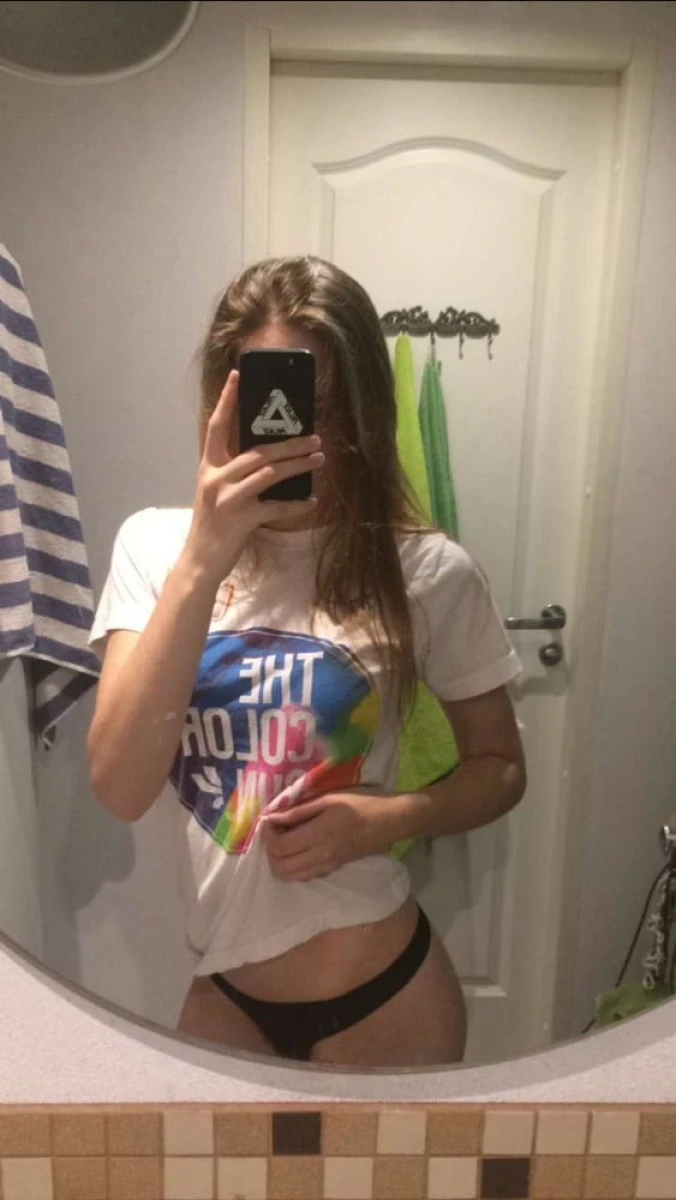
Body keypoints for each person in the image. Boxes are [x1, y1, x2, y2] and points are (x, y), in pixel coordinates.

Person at [87, 256, 525, 1068]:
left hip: (385, 995)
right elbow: (119, 785)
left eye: (322, 406)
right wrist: (204, 559)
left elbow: (500, 769)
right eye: (273, 404)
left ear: (363, 411)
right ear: (224, 402)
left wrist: (390, 819)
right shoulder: (155, 549)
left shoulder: (427, 572)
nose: (297, 433)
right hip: (224, 992)